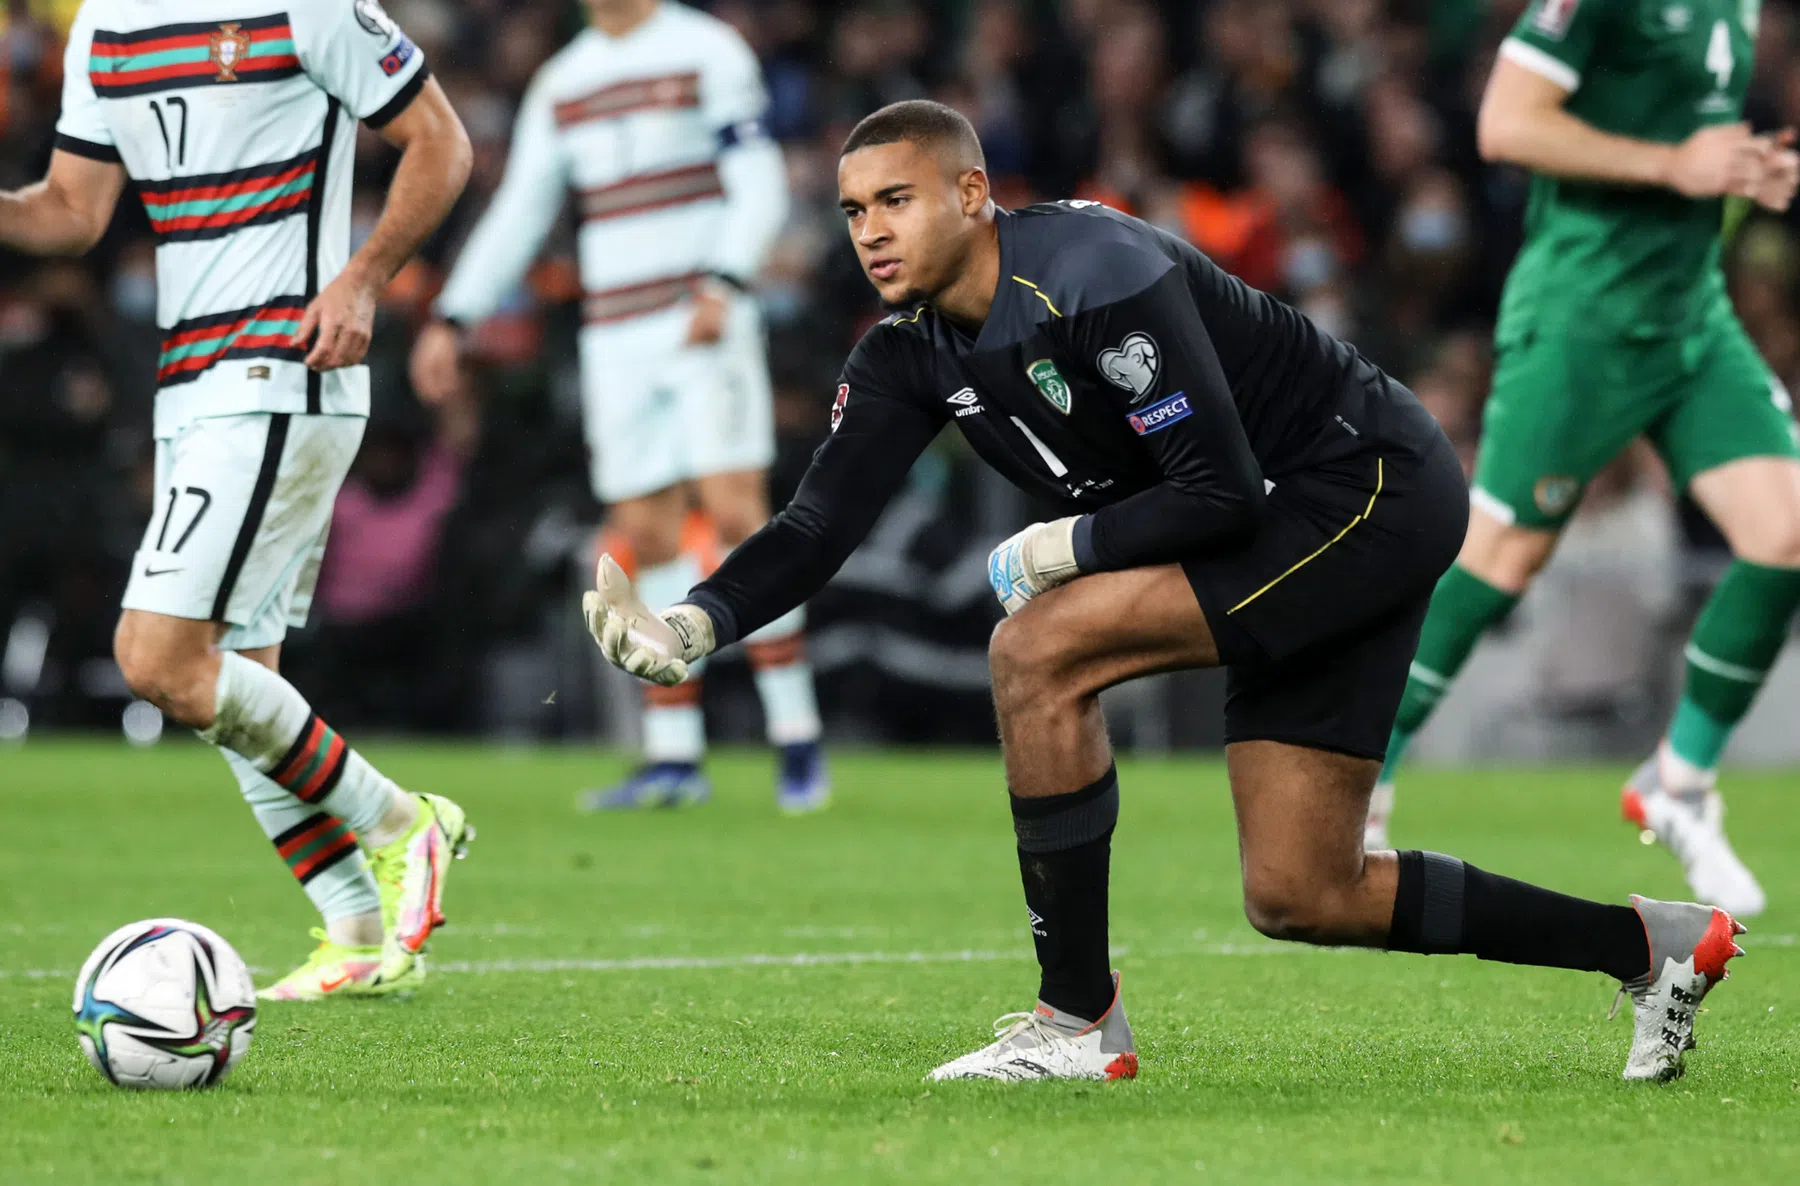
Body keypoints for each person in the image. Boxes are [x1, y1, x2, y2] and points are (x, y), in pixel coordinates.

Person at [585, 100, 1748, 1083]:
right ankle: (1654, 945)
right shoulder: (905, 353)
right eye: (852, 211)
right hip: (1295, 518)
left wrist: (1060, 548)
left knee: (1035, 651)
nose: (871, 232)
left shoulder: (1095, 274)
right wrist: (694, 624)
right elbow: (816, 523)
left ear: (973, 193)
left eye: (897, 199)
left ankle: (1078, 1019)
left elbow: (1223, 492)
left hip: (1363, 486)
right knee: (1304, 890)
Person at [2, 0, 474, 1000]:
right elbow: (72, 210)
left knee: (158, 657)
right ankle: (353, 930)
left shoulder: (306, 5)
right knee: (237, 685)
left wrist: (363, 276)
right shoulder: (104, 25)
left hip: (279, 366)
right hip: (191, 386)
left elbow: (441, 139)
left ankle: (403, 824)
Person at [1363, 0, 1800, 921]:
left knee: (1785, 533)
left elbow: (1684, 131)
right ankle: (1366, 767)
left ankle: (1678, 783)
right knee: (1499, 563)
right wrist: (1675, 165)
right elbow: (1506, 123)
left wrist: (1735, 168)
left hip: (1689, 319)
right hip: (1582, 321)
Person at [409, 0, 828, 814]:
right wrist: (456, 313)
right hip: (616, 332)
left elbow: (757, 177)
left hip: (702, 314)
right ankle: (675, 757)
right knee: (646, 532)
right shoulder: (567, 78)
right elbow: (523, 207)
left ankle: (796, 737)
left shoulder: (705, 49)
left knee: (740, 515)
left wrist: (729, 277)